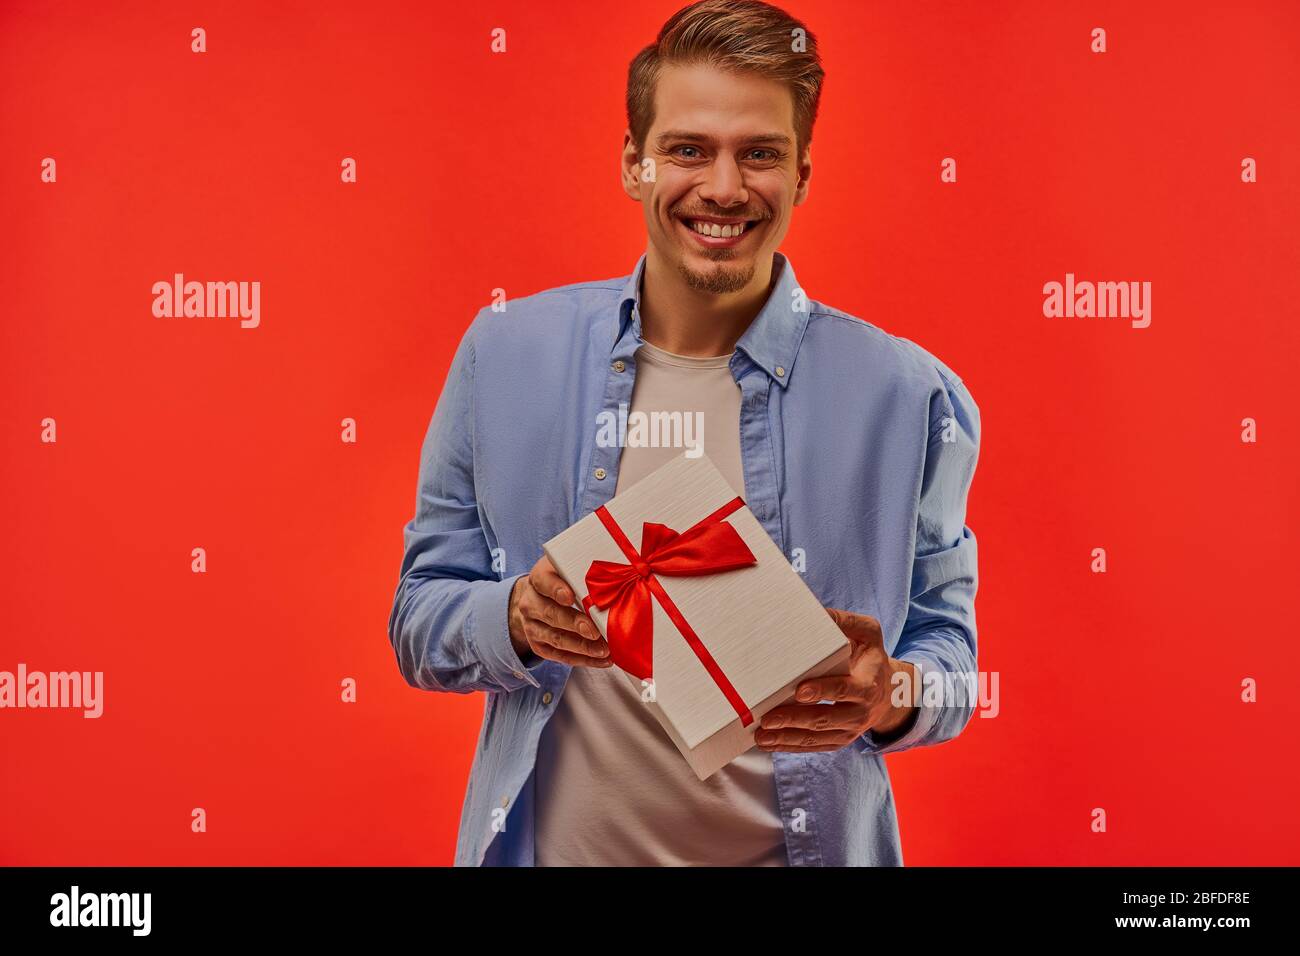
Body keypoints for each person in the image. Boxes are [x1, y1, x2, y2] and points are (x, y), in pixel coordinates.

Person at [387, 0, 981, 866]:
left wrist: (890, 692)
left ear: (804, 173)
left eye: (761, 154)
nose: (726, 188)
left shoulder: (909, 395)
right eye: (689, 150)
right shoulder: (505, 353)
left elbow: (954, 663)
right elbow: (417, 618)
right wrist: (514, 617)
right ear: (635, 162)